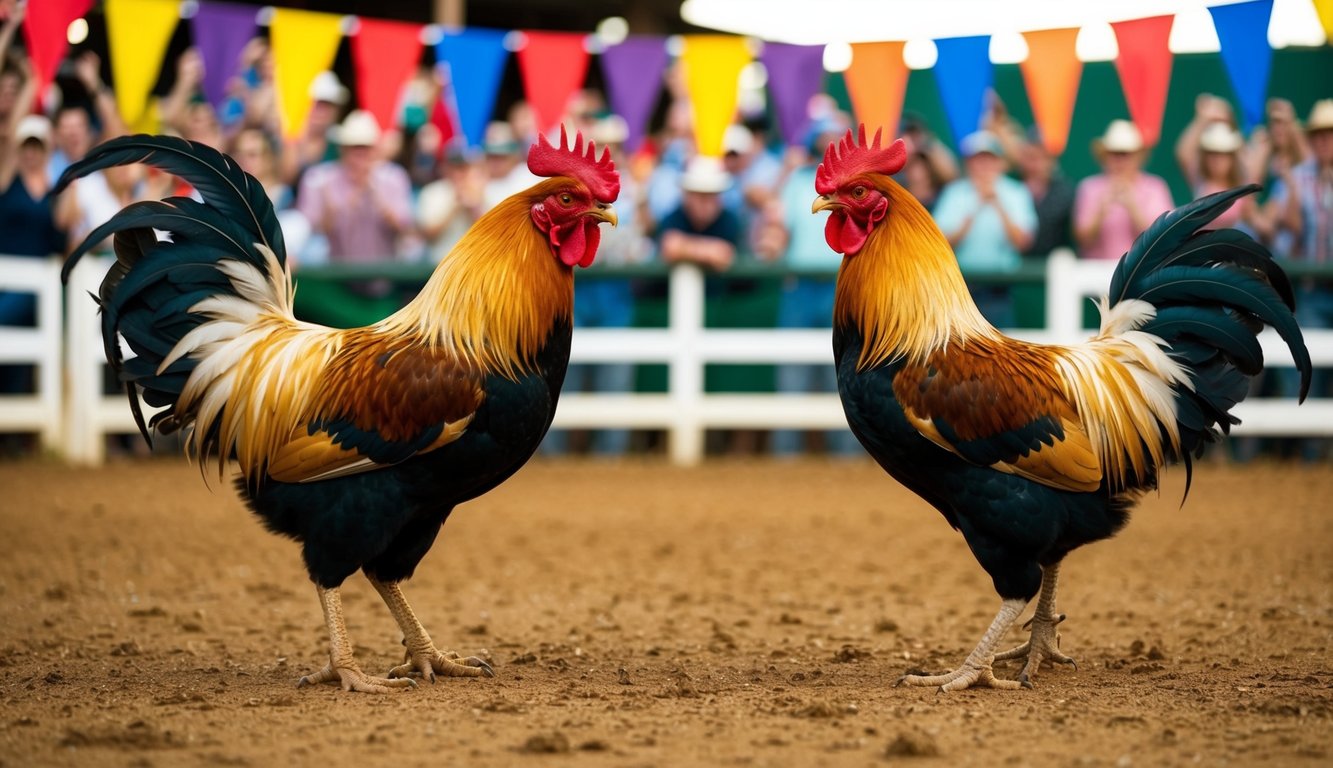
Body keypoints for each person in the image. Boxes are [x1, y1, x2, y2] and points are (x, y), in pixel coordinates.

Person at [542, 116, 654, 457]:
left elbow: (643, 240)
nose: (613, 150)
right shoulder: (578, 191)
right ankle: (555, 456)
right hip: (576, 291)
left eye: (617, 144)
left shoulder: (633, 189)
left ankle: (611, 457)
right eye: (606, 143)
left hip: (614, 293)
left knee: (614, 381)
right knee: (563, 378)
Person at [768, 118, 860, 458]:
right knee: (793, 376)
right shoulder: (798, 182)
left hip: (845, 289)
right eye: (824, 139)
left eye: (835, 139)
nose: (829, 145)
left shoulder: (859, 185)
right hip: (801, 289)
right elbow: (778, 228)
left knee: (846, 379)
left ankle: (848, 459)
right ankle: (786, 455)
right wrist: (772, 241)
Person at [295, 109, 414, 327]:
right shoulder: (320, 179)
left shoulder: (393, 177)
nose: (360, 155)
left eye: (365, 148)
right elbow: (307, 231)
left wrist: (376, 196)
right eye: (354, 148)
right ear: (342, 149)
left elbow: (406, 229)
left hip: (383, 288)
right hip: (337, 286)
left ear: (375, 150)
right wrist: (335, 210)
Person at [1266, 99, 1333, 461]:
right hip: (1309, 290)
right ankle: (1310, 453)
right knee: (1307, 371)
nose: (1326, 142)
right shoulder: (1296, 178)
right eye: (1320, 135)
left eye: (1330, 135)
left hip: (1314, 288)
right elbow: (1282, 229)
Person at [931, 130, 1037, 328]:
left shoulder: (1016, 192)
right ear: (969, 164)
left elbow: (1023, 242)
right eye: (978, 160)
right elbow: (941, 242)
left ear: (1000, 163)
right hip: (961, 291)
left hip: (1001, 292)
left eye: (989, 159)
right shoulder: (954, 193)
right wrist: (975, 208)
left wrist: (998, 204)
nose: (984, 166)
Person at [1073, 119, 1174, 261]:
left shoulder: (1155, 187)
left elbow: (1161, 238)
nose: (1119, 160)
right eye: (1114, 153)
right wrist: (1100, 212)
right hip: (1096, 274)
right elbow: (1082, 239)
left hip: (1141, 272)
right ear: (1105, 156)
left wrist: (1133, 208)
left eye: (1125, 154)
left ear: (1138, 156)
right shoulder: (1089, 187)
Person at [1175, 94, 1255, 232]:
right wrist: (1202, 119)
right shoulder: (1200, 179)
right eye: (1212, 153)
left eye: (1224, 153)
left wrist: (1228, 120)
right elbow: (1183, 152)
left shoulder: (1243, 180)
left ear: (1232, 157)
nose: (1217, 159)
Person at [1016, 131, 1075, 257]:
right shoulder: (1012, 189)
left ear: (1051, 161)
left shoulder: (1064, 191)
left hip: (1056, 264)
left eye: (1041, 157)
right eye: (1030, 157)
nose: (1035, 164)